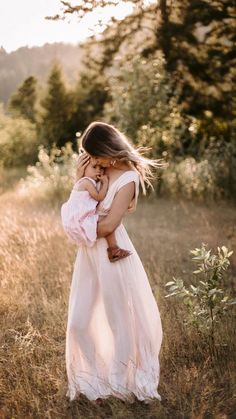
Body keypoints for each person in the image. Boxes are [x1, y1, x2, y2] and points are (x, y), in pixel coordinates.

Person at [65, 121, 165, 404]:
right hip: (88, 255)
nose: (93, 162)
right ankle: (93, 381)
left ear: (107, 150)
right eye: (88, 157)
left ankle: (121, 385)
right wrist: (78, 176)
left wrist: (75, 226)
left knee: (119, 321)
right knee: (79, 322)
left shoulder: (128, 178)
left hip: (111, 253)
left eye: (94, 155)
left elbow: (108, 225)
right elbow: (82, 197)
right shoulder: (102, 169)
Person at [60, 158, 132, 262]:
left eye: (101, 168)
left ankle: (113, 250)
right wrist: (105, 183)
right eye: (94, 167)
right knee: (108, 220)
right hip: (81, 218)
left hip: (80, 215)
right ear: (84, 168)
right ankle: (113, 250)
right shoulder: (86, 182)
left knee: (107, 220)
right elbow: (99, 197)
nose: (98, 171)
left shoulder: (86, 182)